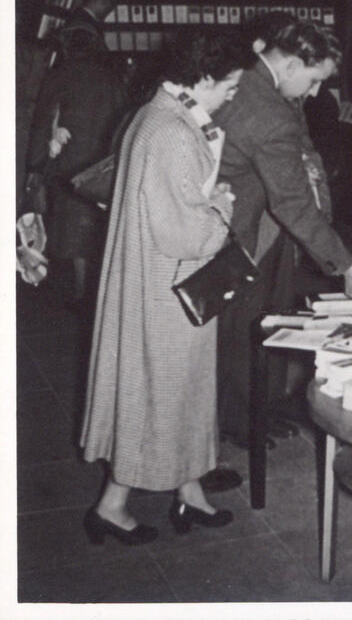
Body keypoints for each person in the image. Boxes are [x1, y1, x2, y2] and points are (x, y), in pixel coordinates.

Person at [80, 32, 246, 544]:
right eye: (231, 85)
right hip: (168, 282)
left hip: (155, 276)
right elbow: (185, 231)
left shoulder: (156, 114)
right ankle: (111, 506)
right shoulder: (173, 129)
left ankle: (189, 491)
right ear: (203, 78)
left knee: (177, 388)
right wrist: (222, 206)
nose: (234, 94)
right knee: (159, 390)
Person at [213, 20, 352, 448]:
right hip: (240, 229)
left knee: (255, 323)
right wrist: (347, 266)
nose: (315, 92)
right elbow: (292, 202)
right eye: (314, 79)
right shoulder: (267, 110)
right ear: (289, 64)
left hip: (255, 221)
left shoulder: (253, 78)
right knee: (240, 329)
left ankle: (253, 412)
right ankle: (234, 422)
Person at [27, 0, 126, 305]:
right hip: (101, 157)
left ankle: (76, 292)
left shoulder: (59, 75)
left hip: (68, 156)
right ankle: (92, 293)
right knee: (93, 225)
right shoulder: (110, 74)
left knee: (70, 225)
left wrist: (35, 166)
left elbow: (43, 121)